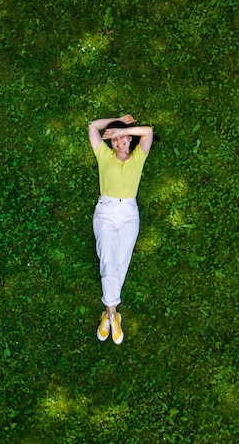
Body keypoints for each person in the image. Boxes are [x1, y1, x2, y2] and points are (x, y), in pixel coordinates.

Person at [88, 115, 153, 344]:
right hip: (105, 211)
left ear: (129, 139)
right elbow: (92, 126)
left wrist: (121, 130)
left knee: (120, 262)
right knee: (107, 261)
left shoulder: (138, 158)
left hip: (128, 214)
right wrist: (116, 121)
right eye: (115, 139)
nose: (119, 142)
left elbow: (148, 132)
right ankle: (113, 315)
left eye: (123, 138)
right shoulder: (104, 155)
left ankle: (109, 312)